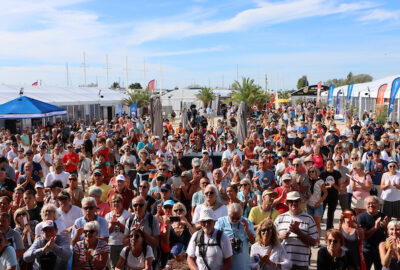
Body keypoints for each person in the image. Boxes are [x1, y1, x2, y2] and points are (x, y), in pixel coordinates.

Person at [274, 191, 318, 270]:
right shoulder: (280, 218)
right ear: (287, 203)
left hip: (301, 264)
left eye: (296, 201)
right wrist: (280, 237)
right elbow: (271, 240)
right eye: (291, 201)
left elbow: (314, 242)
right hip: (283, 263)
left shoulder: (309, 219)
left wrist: (299, 233)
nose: (294, 203)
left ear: (300, 202)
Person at [215, 203, 255, 270]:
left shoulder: (246, 222)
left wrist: (247, 230)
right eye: (232, 217)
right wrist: (226, 243)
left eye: (238, 218)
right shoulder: (220, 222)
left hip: (243, 265)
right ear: (228, 214)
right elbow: (214, 242)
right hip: (226, 264)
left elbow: (253, 241)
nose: (235, 220)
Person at [358, 195, 389, 270]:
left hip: (381, 249)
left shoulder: (383, 216)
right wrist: (375, 227)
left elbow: (387, 235)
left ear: (378, 205)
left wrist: (385, 228)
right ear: (365, 206)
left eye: (373, 203)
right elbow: (364, 236)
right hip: (367, 249)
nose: (371, 205)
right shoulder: (361, 217)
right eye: (369, 203)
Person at [105, 194, 132, 269]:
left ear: (122, 202)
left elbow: (129, 232)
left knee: (124, 266)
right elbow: (107, 232)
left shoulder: (128, 215)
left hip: (123, 244)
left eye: (118, 201)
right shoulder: (108, 215)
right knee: (113, 266)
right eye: (113, 202)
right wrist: (112, 225)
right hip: (111, 243)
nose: (116, 203)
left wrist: (119, 224)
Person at [306, 166, 328, 241]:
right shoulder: (308, 181)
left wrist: (319, 202)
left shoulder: (320, 181)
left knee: (317, 224)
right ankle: (312, 239)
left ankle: (317, 241)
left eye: (313, 171)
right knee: (310, 224)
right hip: (309, 205)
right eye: (310, 172)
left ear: (316, 172)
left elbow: (325, 193)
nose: (311, 173)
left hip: (317, 205)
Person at [320, 159, 341, 230]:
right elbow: (320, 186)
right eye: (328, 164)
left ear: (334, 165)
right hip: (324, 196)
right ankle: (317, 228)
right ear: (326, 165)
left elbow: (339, 187)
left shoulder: (337, 173)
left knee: (331, 213)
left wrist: (334, 185)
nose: (330, 166)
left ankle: (329, 229)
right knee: (320, 212)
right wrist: (328, 186)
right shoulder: (322, 174)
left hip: (333, 196)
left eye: (331, 164)